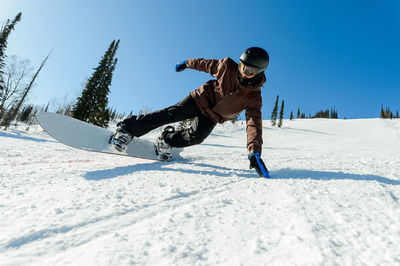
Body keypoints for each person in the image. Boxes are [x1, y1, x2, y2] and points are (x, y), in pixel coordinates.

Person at [111, 47, 270, 177]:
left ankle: (167, 140)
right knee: (173, 113)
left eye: (249, 71)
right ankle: (127, 129)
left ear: (259, 73)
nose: (243, 72)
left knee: (197, 137)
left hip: (213, 116)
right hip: (201, 99)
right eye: (242, 67)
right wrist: (187, 63)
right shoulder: (227, 67)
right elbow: (205, 64)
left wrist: (254, 152)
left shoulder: (254, 98)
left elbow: (253, 125)